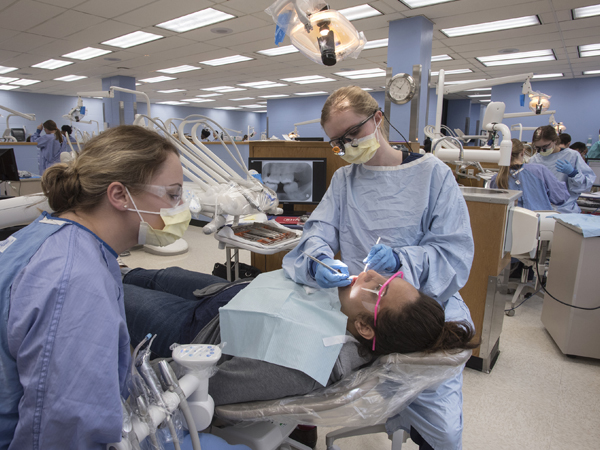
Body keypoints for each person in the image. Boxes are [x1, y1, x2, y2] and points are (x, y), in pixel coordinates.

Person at [281, 86, 475, 449]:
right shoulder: (344, 180)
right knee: (295, 380)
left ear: (378, 120)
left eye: (352, 134)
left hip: (422, 312)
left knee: (444, 435)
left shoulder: (432, 174)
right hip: (364, 313)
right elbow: (317, 231)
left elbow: (453, 254)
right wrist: (319, 258)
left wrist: (403, 259)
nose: (347, 146)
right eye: (338, 142)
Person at [0, 126, 192, 449]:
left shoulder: (52, 235)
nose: (182, 207)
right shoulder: (76, 280)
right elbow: (61, 435)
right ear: (119, 195)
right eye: (172, 194)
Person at [122, 267, 478, 406]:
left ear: (365, 328)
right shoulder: (349, 306)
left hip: (192, 328)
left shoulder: (308, 362)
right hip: (224, 292)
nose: (368, 273)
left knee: (111, 290)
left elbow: (211, 386)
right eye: (388, 276)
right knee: (140, 273)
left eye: (379, 287)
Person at [529, 125, 596, 213]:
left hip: (565, 210)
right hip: (539, 209)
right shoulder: (534, 159)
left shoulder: (572, 156)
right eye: (538, 148)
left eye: (545, 147)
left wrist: (573, 174)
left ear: (555, 141)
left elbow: (586, 186)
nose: (541, 151)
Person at [490, 138, 569, 211]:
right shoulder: (539, 170)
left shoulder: (497, 178)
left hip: (511, 223)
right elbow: (560, 197)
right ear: (523, 152)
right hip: (540, 222)